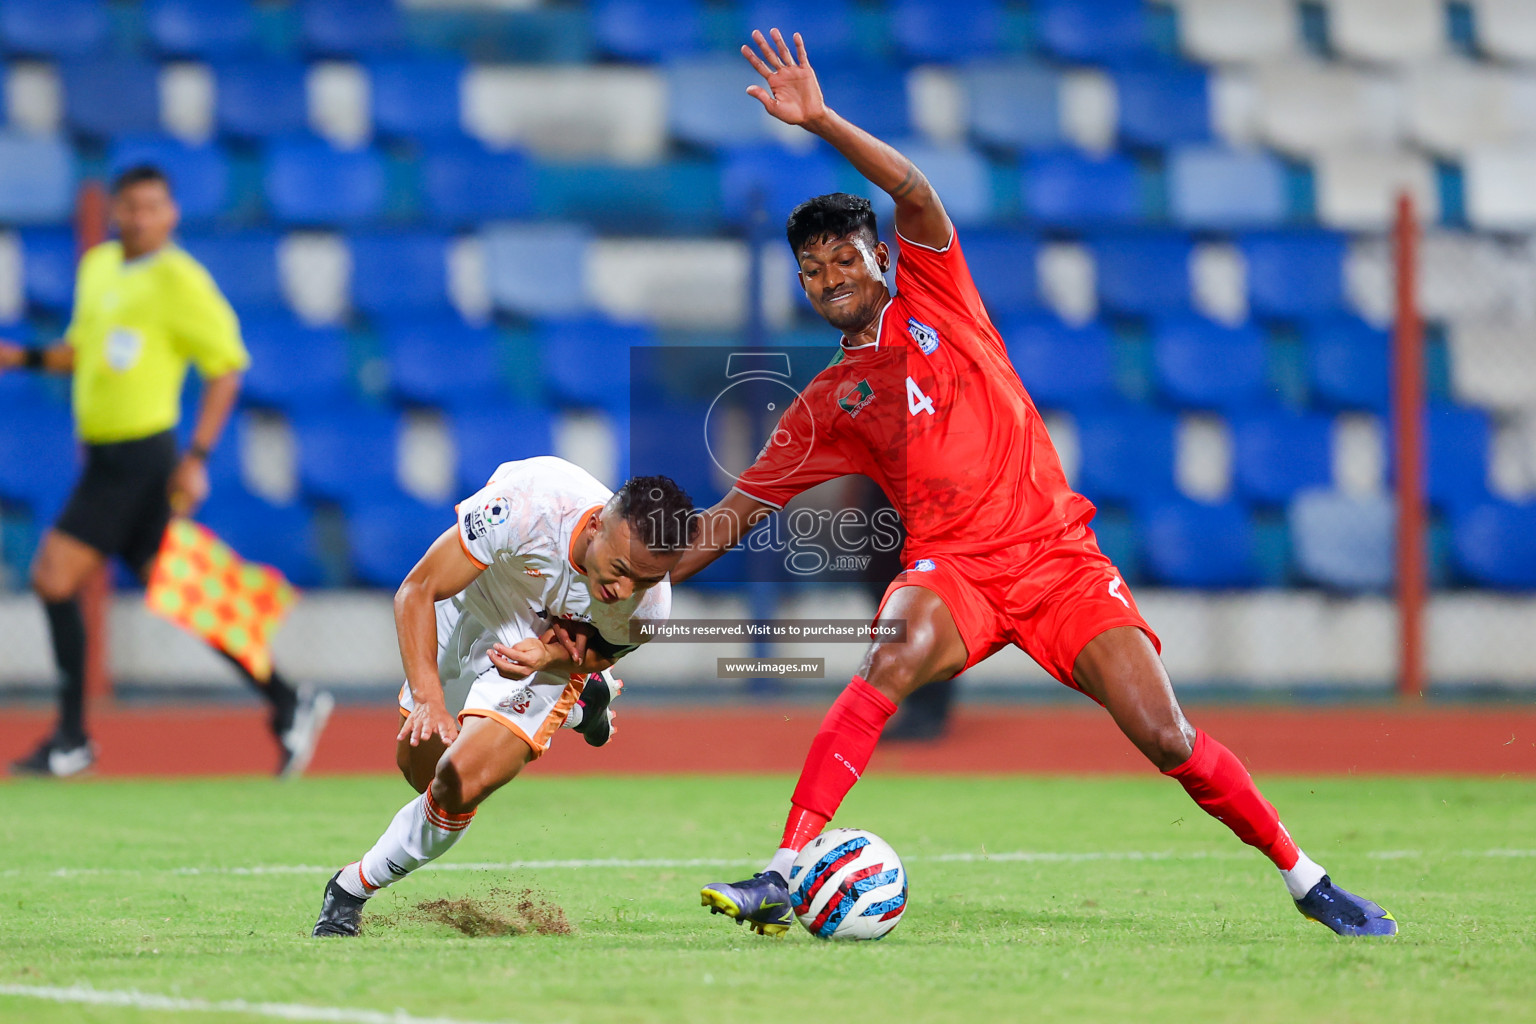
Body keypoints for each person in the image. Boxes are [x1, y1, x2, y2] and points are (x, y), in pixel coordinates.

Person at [677, 30, 1396, 938]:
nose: (829, 279)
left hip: (1058, 562)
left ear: (882, 261)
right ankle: (784, 870)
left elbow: (913, 191)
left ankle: (1307, 880)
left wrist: (820, 121)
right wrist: (637, 584)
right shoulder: (830, 402)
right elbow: (734, 515)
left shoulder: (937, 290)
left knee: (1165, 734)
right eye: (812, 271)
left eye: (844, 259)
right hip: (959, 573)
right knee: (889, 658)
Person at [0, 164, 331, 778]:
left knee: (52, 576)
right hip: (106, 452)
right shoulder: (99, 265)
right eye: (130, 206)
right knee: (175, 587)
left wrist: (197, 458)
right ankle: (288, 700)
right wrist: (20, 356)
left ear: (171, 214)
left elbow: (226, 367)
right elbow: (83, 353)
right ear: (116, 211)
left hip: (139, 455)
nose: (140, 217)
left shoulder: (181, 281)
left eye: (152, 207)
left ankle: (72, 737)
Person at [311, 460, 696, 937]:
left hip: (539, 646)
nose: (623, 591)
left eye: (643, 581)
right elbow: (417, 589)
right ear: (596, 524)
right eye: (619, 571)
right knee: (422, 772)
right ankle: (581, 709)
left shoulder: (649, 607)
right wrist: (430, 699)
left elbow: (599, 650)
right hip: (468, 600)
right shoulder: (531, 503)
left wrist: (549, 655)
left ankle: (350, 889)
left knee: (457, 784)